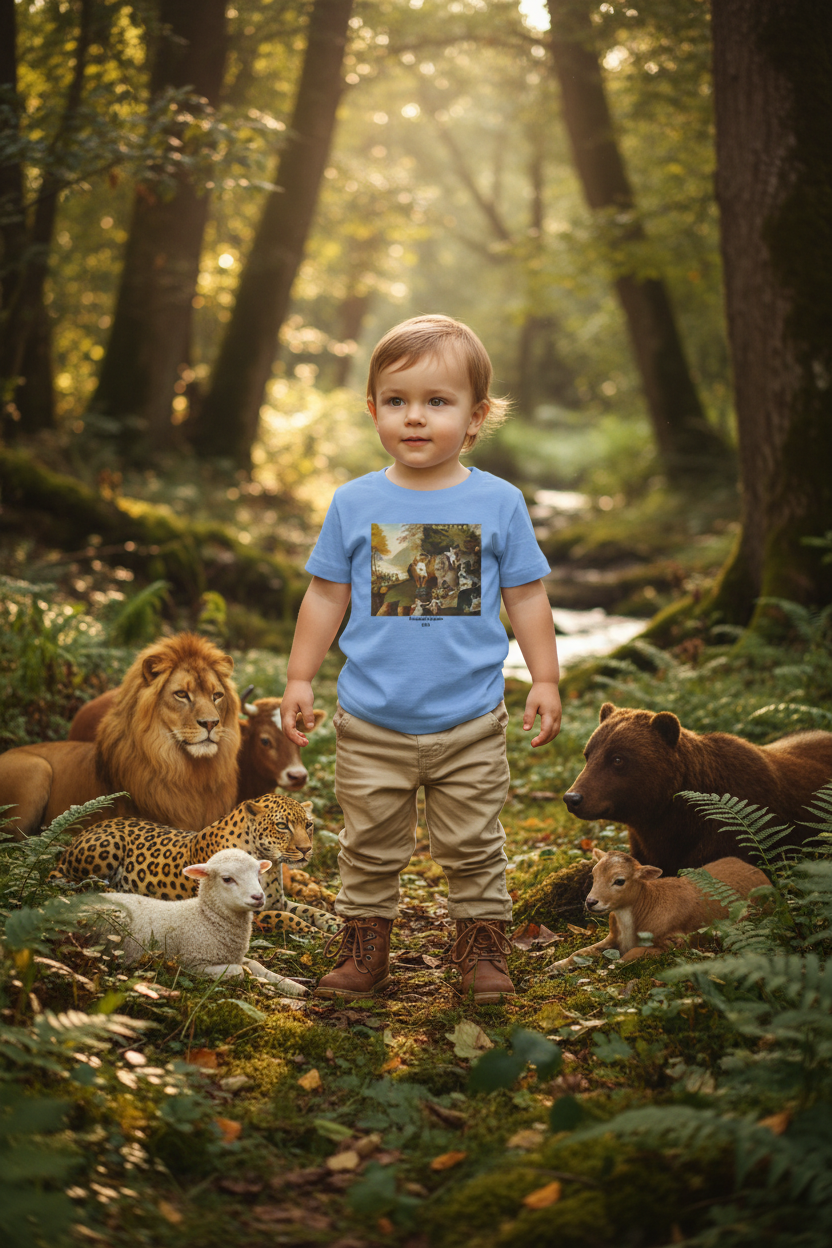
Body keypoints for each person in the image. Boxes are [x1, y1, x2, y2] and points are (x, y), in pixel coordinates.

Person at [281, 314, 561, 1004]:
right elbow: (324, 596)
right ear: (374, 409)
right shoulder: (355, 502)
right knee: (369, 845)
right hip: (371, 721)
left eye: (438, 401)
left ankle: (481, 951)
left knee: (473, 845)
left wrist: (545, 677)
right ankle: (365, 950)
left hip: (469, 721)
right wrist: (299, 676)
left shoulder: (498, 502)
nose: (416, 418)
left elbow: (526, 597)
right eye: (398, 401)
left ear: (475, 416)